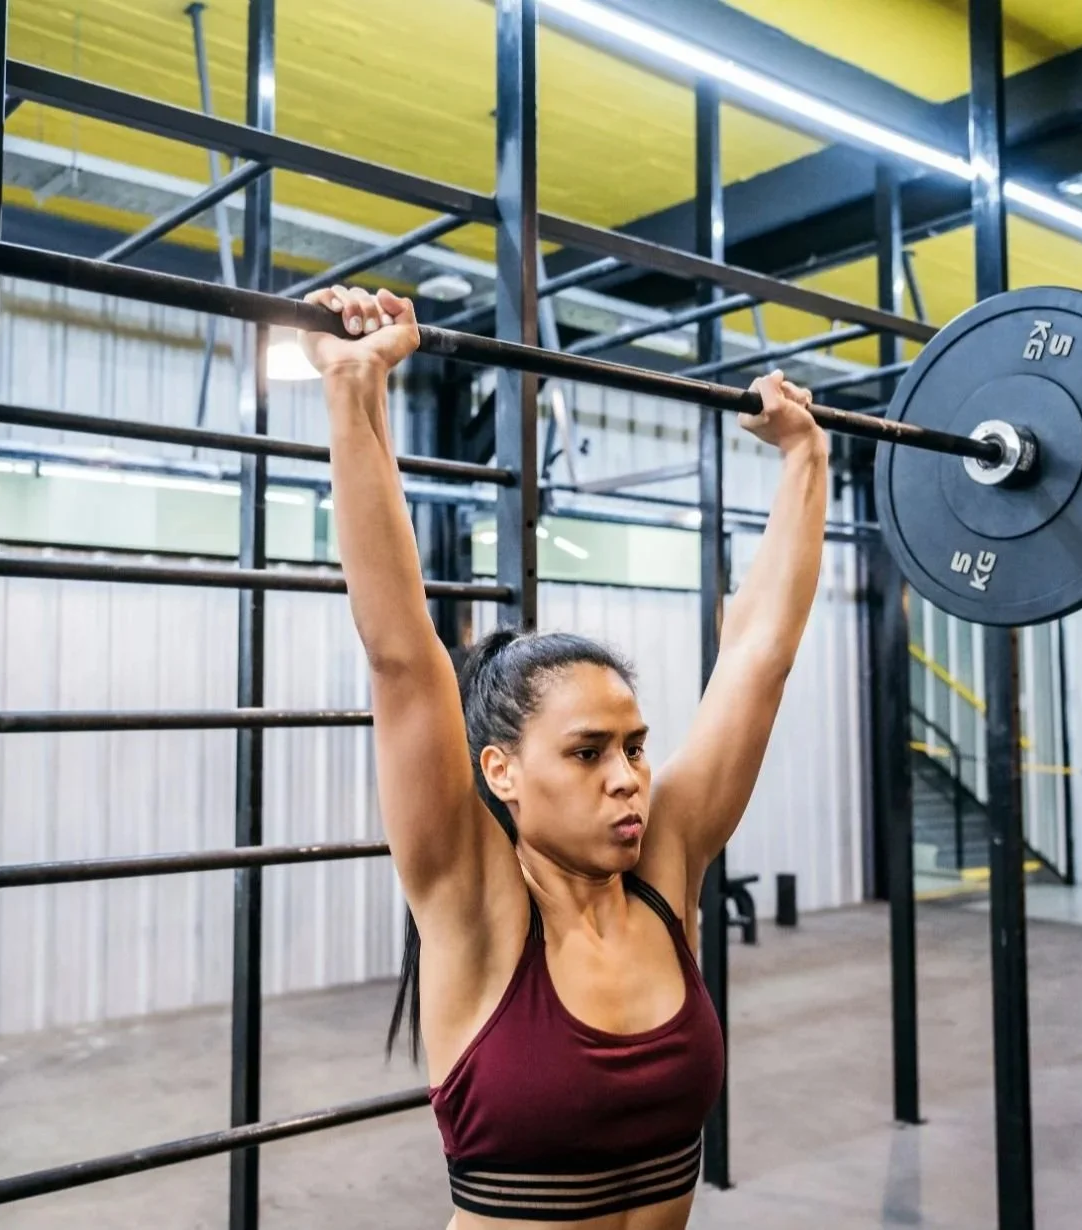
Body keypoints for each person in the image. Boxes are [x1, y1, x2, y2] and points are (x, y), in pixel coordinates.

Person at [303, 285, 828, 1228]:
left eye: (634, 746)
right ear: (500, 770)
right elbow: (402, 658)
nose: (628, 776)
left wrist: (805, 456)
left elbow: (760, 656)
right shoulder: (474, 902)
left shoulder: (664, 865)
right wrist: (354, 391)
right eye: (587, 753)